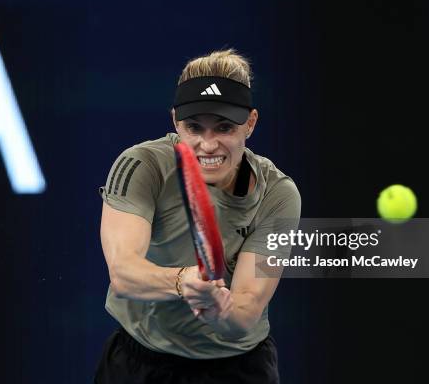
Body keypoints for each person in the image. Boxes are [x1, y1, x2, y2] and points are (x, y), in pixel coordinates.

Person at [95, 49, 301, 383]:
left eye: (224, 127)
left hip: (239, 369)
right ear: (175, 120)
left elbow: (247, 307)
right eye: (194, 127)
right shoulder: (141, 166)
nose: (208, 145)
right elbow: (123, 273)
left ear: (250, 123)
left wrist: (222, 311)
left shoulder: (278, 194)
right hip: (139, 364)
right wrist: (183, 281)